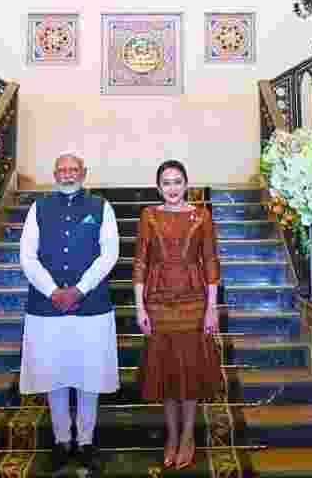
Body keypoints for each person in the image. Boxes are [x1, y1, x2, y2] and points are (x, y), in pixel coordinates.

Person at [19, 150, 120, 473]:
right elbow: (27, 256)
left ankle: (86, 441)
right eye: (62, 169)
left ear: (84, 172)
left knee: (89, 375)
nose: (68, 174)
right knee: (55, 374)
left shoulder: (101, 208)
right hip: (47, 308)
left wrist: (79, 289)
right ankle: (62, 441)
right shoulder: (39, 207)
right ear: (54, 173)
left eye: (73, 169)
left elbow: (110, 254)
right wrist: (52, 291)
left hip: (91, 306)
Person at [133, 160, 222, 470]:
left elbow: (210, 261)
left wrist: (212, 307)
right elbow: (141, 261)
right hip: (157, 301)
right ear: (159, 187)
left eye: (177, 181)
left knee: (190, 373)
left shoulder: (202, 215)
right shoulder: (149, 215)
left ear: (186, 184)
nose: (172, 188)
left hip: (194, 301)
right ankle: (171, 436)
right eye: (166, 182)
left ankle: (187, 436)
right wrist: (139, 305)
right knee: (166, 372)